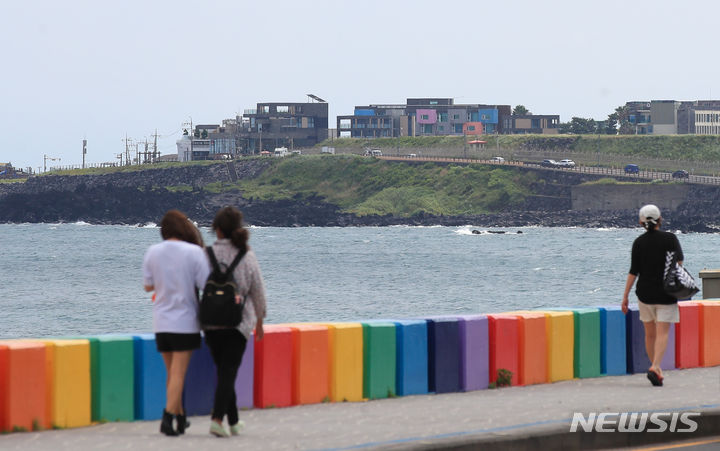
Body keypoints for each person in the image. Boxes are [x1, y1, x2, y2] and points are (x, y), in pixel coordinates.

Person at [142, 210, 210, 436]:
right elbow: (204, 283)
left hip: (161, 321)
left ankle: (180, 418)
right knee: (179, 374)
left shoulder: (153, 252)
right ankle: (167, 417)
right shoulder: (193, 252)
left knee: (171, 373)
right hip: (185, 320)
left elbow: (148, 286)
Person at [203, 206, 267, 438]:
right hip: (238, 323)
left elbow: (199, 285)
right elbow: (258, 289)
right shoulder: (247, 255)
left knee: (223, 371)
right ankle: (218, 419)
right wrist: (260, 319)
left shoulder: (206, 254)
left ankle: (235, 421)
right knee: (228, 372)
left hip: (210, 323)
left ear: (218, 230)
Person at [622, 204, 683, 387]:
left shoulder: (638, 243)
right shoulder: (670, 239)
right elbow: (679, 263)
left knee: (650, 335)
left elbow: (633, 272)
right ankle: (655, 366)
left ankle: (656, 368)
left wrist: (625, 296)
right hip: (666, 293)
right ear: (660, 220)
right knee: (663, 332)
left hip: (644, 294)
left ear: (641, 222)